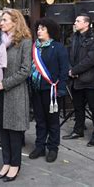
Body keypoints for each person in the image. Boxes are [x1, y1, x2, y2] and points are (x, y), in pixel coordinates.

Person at [0, 9, 32, 182]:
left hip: (14, 92)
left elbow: (25, 70)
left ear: (15, 21)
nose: (1, 23)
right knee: (3, 131)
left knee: (14, 132)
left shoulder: (25, 41)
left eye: (5, 20)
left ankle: (15, 165)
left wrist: (5, 83)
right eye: (1, 20)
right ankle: (6, 162)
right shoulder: (0, 39)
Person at [29, 17, 69, 163]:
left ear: (50, 31)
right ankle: (40, 146)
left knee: (52, 121)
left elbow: (64, 70)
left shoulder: (58, 48)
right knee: (39, 120)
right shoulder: (34, 47)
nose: (39, 31)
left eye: (43, 29)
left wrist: (61, 90)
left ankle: (53, 148)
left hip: (51, 90)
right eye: (38, 29)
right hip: (36, 89)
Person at [63, 14, 94, 147]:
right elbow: (68, 55)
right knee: (78, 107)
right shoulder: (74, 37)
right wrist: (70, 70)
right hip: (76, 79)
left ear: (87, 24)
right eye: (75, 20)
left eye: (78, 21)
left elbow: (92, 59)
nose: (75, 23)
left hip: (90, 79)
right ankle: (78, 130)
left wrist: (74, 71)